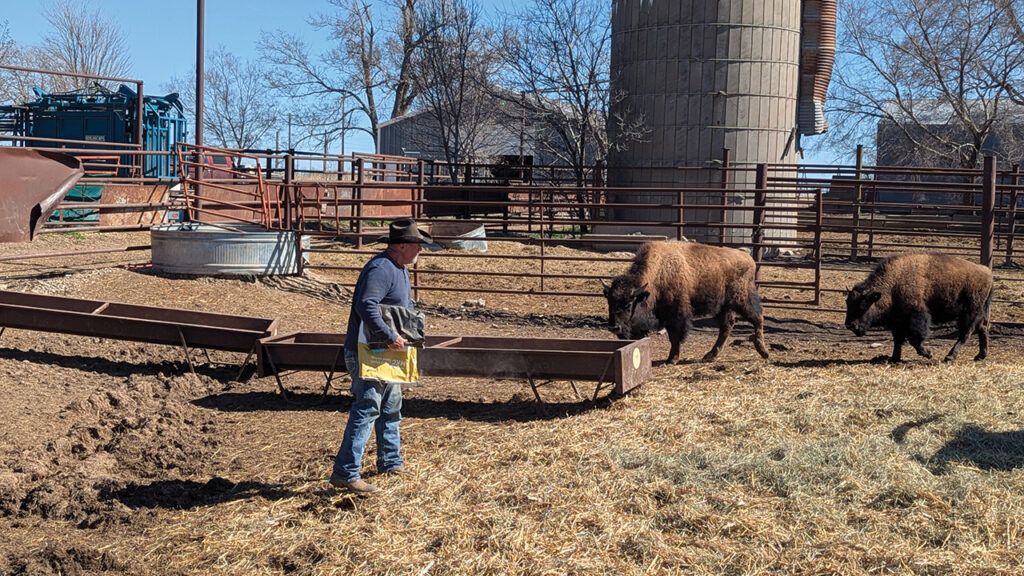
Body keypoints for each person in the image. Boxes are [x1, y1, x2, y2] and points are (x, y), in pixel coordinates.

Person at [330, 218, 435, 495]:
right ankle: (346, 472)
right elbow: (367, 306)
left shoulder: (398, 268)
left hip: (385, 354)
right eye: (416, 245)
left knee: (389, 408)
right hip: (370, 352)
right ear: (401, 245)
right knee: (367, 408)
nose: (420, 251)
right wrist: (390, 336)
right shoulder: (381, 269)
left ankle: (390, 461)